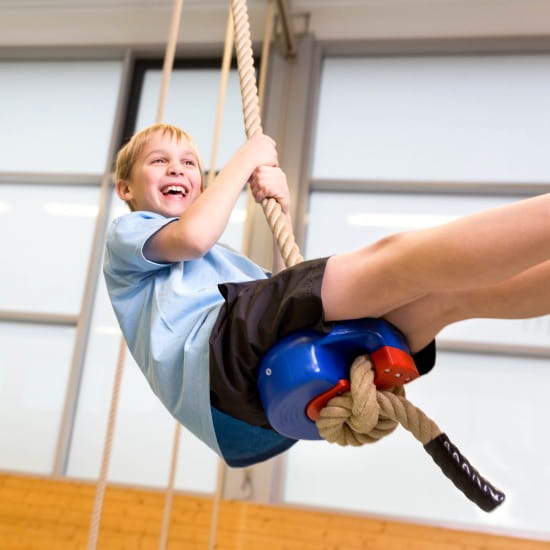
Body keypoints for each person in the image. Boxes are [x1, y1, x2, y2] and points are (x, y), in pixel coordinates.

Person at [104, 122, 550, 466]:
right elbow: (194, 237)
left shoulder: (221, 266)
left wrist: (281, 209)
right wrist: (244, 160)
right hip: (218, 365)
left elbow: (284, 299)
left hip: (248, 403)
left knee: (446, 299)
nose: (177, 169)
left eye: (189, 163)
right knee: (397, 260)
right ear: (125, 188)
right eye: (159, 161)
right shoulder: (129, 232)